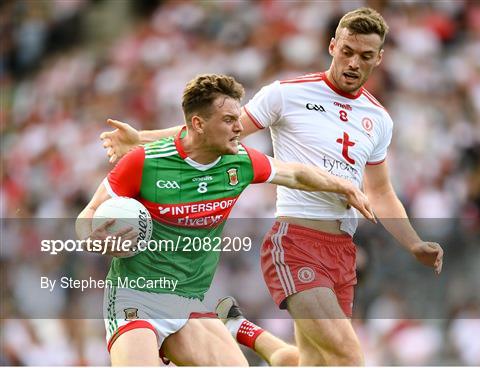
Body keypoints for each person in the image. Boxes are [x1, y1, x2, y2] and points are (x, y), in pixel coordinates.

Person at [100, 7, 444, 366]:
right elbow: (213, 134)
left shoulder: (379, 119)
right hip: (297, 242)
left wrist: (413, 242)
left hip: (341, 250)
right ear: (332, 47)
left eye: (365, 56)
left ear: (380, 59)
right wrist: (144, 140)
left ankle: (244, 330)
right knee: (348, 356)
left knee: (312, 362)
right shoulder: (286, 94)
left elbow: (382, 192)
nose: (354, 63)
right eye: (347, 51)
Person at [77, 73, 375, 366]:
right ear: (199, 124)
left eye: (238, 118)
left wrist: (344, 186)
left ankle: (243, 330)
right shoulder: (145, 162)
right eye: (229, 120)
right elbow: (87, 216)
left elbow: (294, 173)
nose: (239, 127)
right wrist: (93, 237)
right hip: (135, 296)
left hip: (188, 300)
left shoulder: (239, 162)